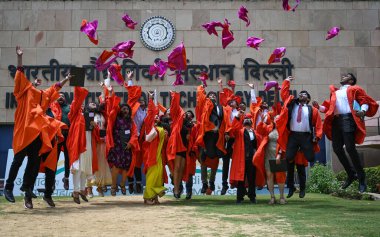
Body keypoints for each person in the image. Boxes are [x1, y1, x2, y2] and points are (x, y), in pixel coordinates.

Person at [4, 46, 70, 209]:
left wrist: (66, 79)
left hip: (35, 136)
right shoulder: (24, 93)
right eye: (33, 85)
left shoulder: (43, 97)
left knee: (33, 162)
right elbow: (20, 74)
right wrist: (20, 57)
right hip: (23, 131)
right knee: (18, 160)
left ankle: (27, 187)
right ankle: (8, 188)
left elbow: (54, 88)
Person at [312, 73, 378, 192]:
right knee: (337, 148)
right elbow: (329, 108)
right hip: (336, 121)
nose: (343, 76)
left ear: (351, 80)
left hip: (348, 119)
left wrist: (363, 111)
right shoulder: (335, 92)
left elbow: (364, 102)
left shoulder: (355, 89)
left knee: (350, 148)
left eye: (347, 76)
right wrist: (319, 107)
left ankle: (362, 177)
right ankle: (351, 174)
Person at [276, 76, 323, 199]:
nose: (302, 95)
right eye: (300, 94)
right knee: (289, 162)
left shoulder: (313, 110)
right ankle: (290, 188)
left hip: (305, 137)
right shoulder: (292, 104)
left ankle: (302, 189)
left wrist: (317, 137)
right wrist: (287, 81)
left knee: (303, 166)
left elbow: (318, 125)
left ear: (308, 98)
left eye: (304, 94)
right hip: (293, 136)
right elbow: (284, 94)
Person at [106, 86, 139, 196]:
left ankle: (123, 184)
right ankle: (113, 186)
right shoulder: (115, 118)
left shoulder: (131, 122)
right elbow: (112, 106)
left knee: (126, 167)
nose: (125, 110)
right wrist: (111, 93)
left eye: (127, 109)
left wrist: (131, 143)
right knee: (116, 166)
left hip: (127, 146)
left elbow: (134, 134)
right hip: (117, 145)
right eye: (123, 108)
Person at [195, 85, 227, 194]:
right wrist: (202, 86)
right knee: (204, 158)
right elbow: (200, 97)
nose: (212, 96)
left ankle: (212, 182)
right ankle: (204, 183)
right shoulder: (205, 104)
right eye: (210, 95)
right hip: (207, 134)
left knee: (215, 158)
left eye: (214, 95)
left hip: (217, 135)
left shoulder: (220, 107)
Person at [66, 87, 91, 204]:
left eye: (82, 105)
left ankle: (81, 189)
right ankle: (75, 191)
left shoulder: (84, 116)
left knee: (83, 169)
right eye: (79, 105)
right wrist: (77, 86)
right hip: (76, 142)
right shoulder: (73, 114)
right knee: (76, 168)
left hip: (85, 142)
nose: (81, 106)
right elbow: (76, 101)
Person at [166, 91, 193, 199]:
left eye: (185, 114)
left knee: (181, 169)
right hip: (177, 146)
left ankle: (177, 188)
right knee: (177, 168)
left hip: (184, 148)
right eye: (183, 113)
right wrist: (174, 96)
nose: (184, 114)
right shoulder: (177, 120)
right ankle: (176, 189)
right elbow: (174, 107)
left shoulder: (187, 125)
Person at [143, 94, 168, 204]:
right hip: (151, 155)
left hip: (159, 156)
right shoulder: (149, 125)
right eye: (155, 115)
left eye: (158, 115)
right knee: (151, 177)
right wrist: (151, 100)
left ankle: (155, 197)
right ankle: (148, 196)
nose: (156, 116)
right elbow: (150, 112)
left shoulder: (161, 128)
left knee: (158, 177)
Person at [229, 110, 257, 204]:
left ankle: (252, 197)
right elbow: (232, 129)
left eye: (249, 119)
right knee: (241, 179)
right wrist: (237, 117)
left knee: (252, 178)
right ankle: (239, 198)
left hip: (252, 159)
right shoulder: (239, 131)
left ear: (251, 121)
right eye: (245, 119)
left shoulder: (255, 132)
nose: (247, 120)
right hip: (242, 158)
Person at [218, 78, 240, 195]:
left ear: (237, 103)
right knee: (226, 162)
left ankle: (238, 184)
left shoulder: (239, 112)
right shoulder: (226, 110)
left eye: (233, 101)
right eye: (230, 101)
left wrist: (233, 88)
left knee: (238, 162)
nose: (231, 102)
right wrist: (221, 86)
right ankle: (224, 184)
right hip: (227, 138)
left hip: (237, 139)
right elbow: (223, 100)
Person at [124, 72, 145, 194]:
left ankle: (138, 183)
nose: (141, 102)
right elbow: (132, 96)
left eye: (143, 100)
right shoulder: (133, 108)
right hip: (130, 137)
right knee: (130, 161)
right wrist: (130, 79)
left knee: (137, 163)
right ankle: (131, 183)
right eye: (139, 100)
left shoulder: (146, 112)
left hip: (141, 139)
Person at [50, 91, 71, 190]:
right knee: (55, 158)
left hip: (68, 135)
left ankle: (66, 178)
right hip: (56, 136)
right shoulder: (52, 107)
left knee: (68, 158)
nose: (60, 97)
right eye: (58, 96)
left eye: (62, 96)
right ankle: (52, 180)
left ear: (65, 98)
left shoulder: (69, 107)